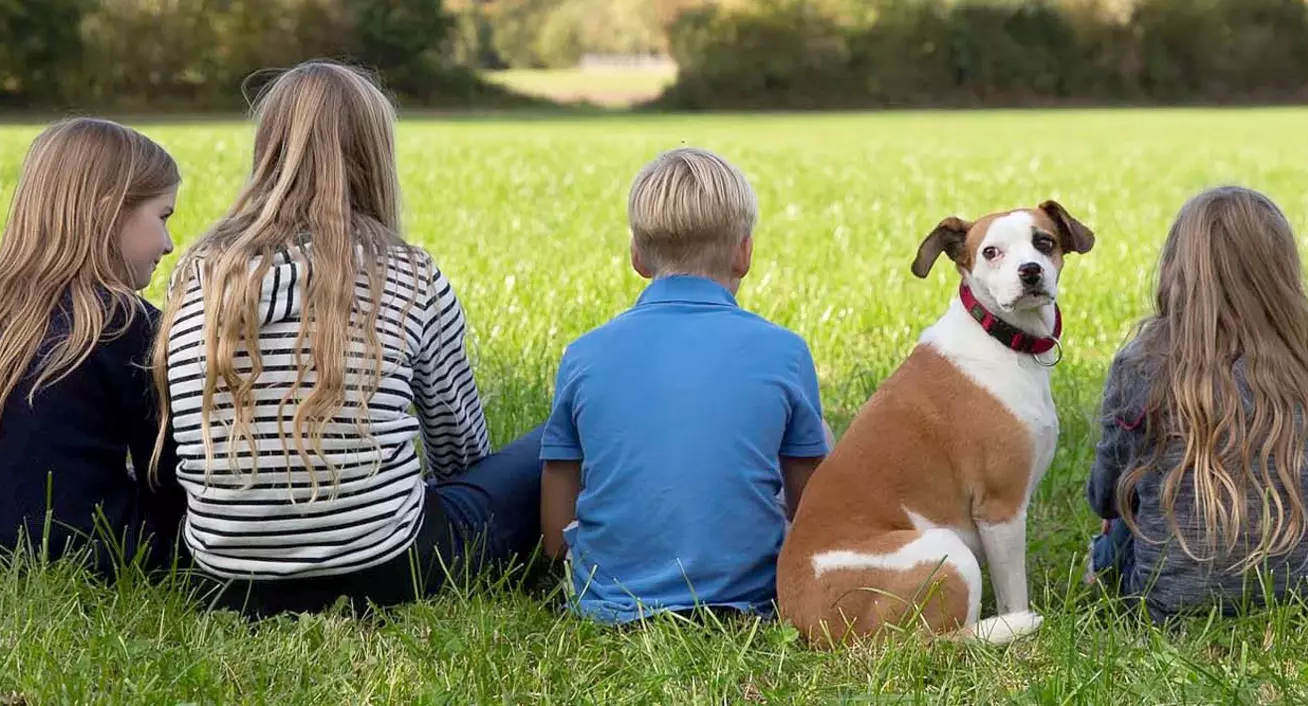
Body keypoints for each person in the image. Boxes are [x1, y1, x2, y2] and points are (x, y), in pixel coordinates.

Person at [151, 60, 543, 617]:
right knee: (552, 437)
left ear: (268, 150)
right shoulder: (409, 275)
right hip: (391, 571)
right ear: (374, 155)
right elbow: (460, 454)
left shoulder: (198, 276)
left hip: (228, 583)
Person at [538, 147, 830, 624]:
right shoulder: (785, 351)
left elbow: (559, 484)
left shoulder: (584, 354)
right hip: (751, 601)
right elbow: (809, 503)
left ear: (637, 255)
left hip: (606, 603)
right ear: (745, 253)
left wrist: (557, 563)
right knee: (815, 437)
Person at [1084, 186, 1308, 622]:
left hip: (1168, 602)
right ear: (1282, 276)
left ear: (1177, 269)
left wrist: (1114, 509)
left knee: (1116, 529)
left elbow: (1105, 493)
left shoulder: (1143, 363)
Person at [0, 118, 184, 585]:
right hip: (94, 559)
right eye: (162, 217)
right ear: (108, 213)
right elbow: (167, 475)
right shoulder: (124, 321)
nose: (168, 244)